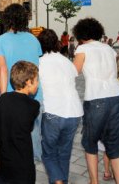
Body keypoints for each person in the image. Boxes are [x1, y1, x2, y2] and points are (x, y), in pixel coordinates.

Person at [72, 17, 119, 184]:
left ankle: (94, 181)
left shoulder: (83, 49)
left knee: (90, 142)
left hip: (96, 98)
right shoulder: (109, 49)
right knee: (115, 146)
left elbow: (75, 71)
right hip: (117, 97)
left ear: (80, 34)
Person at [0, 3, 43, 161]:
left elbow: (2, 69)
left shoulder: (0, 40)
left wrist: (3, 97)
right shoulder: (34, 40)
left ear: (7, 19)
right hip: (35, 95)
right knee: (34, 136)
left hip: (12, 95)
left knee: (13, 140)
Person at [37, 30, 83, 184]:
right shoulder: (66, 61)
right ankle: (62, 180)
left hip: (53, 111)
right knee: (64, 153)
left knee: (48, 153)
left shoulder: (40, 63)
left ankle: (57, 181)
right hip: (74, 112)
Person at [0, 61, 40, 184]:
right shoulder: (34, 106)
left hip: (3, 164)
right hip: (24, 167)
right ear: (28, 82)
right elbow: (28, 128)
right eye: (36, 81)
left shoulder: (3, 99)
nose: (38, 84)